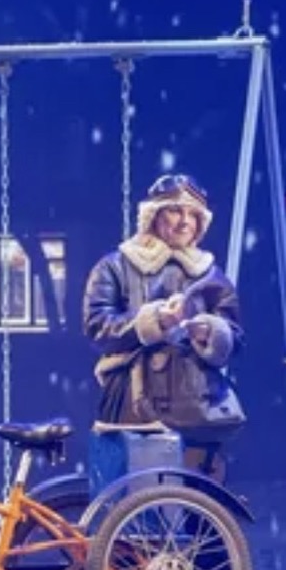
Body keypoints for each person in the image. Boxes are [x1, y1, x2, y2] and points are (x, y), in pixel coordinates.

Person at [82, 172, 246, 484]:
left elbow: (236, 337)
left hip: (196, 405)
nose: (184, 221)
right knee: (131, 496)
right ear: (154, 216)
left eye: (193, 215)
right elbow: (97, 327)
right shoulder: (115, 266)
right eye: (174, 210)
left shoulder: (211, 275)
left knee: (199, 498)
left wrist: (209, 332)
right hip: (131, 403)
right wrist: (155, 321)